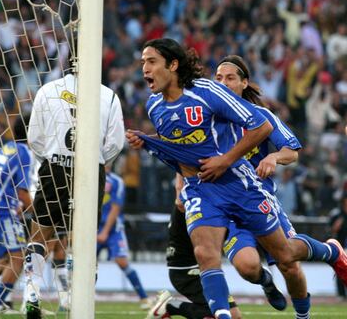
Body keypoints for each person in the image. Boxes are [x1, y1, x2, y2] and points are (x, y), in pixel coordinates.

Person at [126, 38, 347, 319]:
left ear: (244, 83)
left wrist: (267, 158)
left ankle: (329, 254)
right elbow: (182, 147)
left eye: (151, 61)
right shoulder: (156, 106)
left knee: (287, 259)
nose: (144, 68)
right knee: (226, 260)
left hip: (246, 188)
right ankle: (234, 306)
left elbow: (283, 144)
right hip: (202, 190)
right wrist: (166, 164)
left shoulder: (221, 101)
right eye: (219, 77)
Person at [216, 55, 310, 318]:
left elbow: (291, 151)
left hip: (262, 200)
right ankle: (266, 282)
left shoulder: (261, 116)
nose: (223, 83)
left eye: (230, 78)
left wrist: (273, 156)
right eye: (219, 78)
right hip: (229, 206)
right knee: (247, 267)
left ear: (244, 83)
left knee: (290, 266)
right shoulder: (207, 117)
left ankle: (303, 314)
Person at [25, 71, 125, 318]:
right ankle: (78, 299)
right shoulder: (108, 95)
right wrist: (98, 160)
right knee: (82, 239)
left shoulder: (48, 90)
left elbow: (34, 138)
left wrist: (51, 157)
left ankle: (31, 293)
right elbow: (116, 142)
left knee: (40, 235)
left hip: (54, 168)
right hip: (92, 171)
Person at [147, 175, 242, 319]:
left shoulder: (201, 200)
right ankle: (170, 306)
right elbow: (180, 199)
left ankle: (171, 305)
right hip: (187, 271)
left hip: (195, 267)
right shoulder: (191, 202)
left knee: (234, 315)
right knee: (229, 315)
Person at [0, 116, 34, 314]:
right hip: (2, 212)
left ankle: (0, 302)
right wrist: (39, 214)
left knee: (8, 259)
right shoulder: (25, 152)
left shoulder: (6, 148)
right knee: (19, 258)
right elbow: (23, 192)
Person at [97, 168, 150, 309]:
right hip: (93, 229)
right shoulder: (91, 177)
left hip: (113, 229)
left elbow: (116, 208)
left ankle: (144, 298)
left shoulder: (116, 181)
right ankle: (74, 297)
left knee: (122, 261)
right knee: (86, 265)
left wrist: (105, 232)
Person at [329, 193, 347, 299]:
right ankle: (341, 294)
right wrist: (336, 226)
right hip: (341, 247)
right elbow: (331, 230)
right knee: (340, 270)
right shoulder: (337, 215)